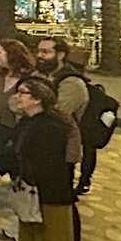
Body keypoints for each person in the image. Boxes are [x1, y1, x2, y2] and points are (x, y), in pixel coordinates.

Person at [12, 77, 79, 241]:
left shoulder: (51, 127)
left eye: (23, 93)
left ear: (37, 98)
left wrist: (5, 162)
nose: (18, 97)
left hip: (51, 195)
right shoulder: (29, 122)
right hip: (31, 193)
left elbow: (43, 163)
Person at [35, 38, 90, 195]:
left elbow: (56, 113)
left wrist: (31, 105)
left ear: (60, 55)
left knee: (57, 195)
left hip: (60, 147)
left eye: (45, 52)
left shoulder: (72, 83)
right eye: (38, 51)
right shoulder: (39, 75)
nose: (39, 56)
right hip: (39, 143)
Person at [0, 40, 35, 153]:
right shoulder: (0, 76)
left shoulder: (29, 79)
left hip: (21, 131)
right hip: (2, 128)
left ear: (11, 54)